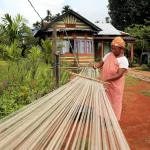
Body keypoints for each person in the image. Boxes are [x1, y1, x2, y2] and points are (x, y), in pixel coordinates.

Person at [93, 36, 129, 121]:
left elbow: (119, 74)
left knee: (114, 102)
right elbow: (100, 64)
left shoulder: (123, 60)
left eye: (115, 49)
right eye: (112, 48)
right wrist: (95, 65)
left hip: (115, 86)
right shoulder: (108, 55)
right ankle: (104, 118)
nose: (112, 50)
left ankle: (112, 121)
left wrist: (105, 79)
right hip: (105, 84)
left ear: (121, 49)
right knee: (104, 101)